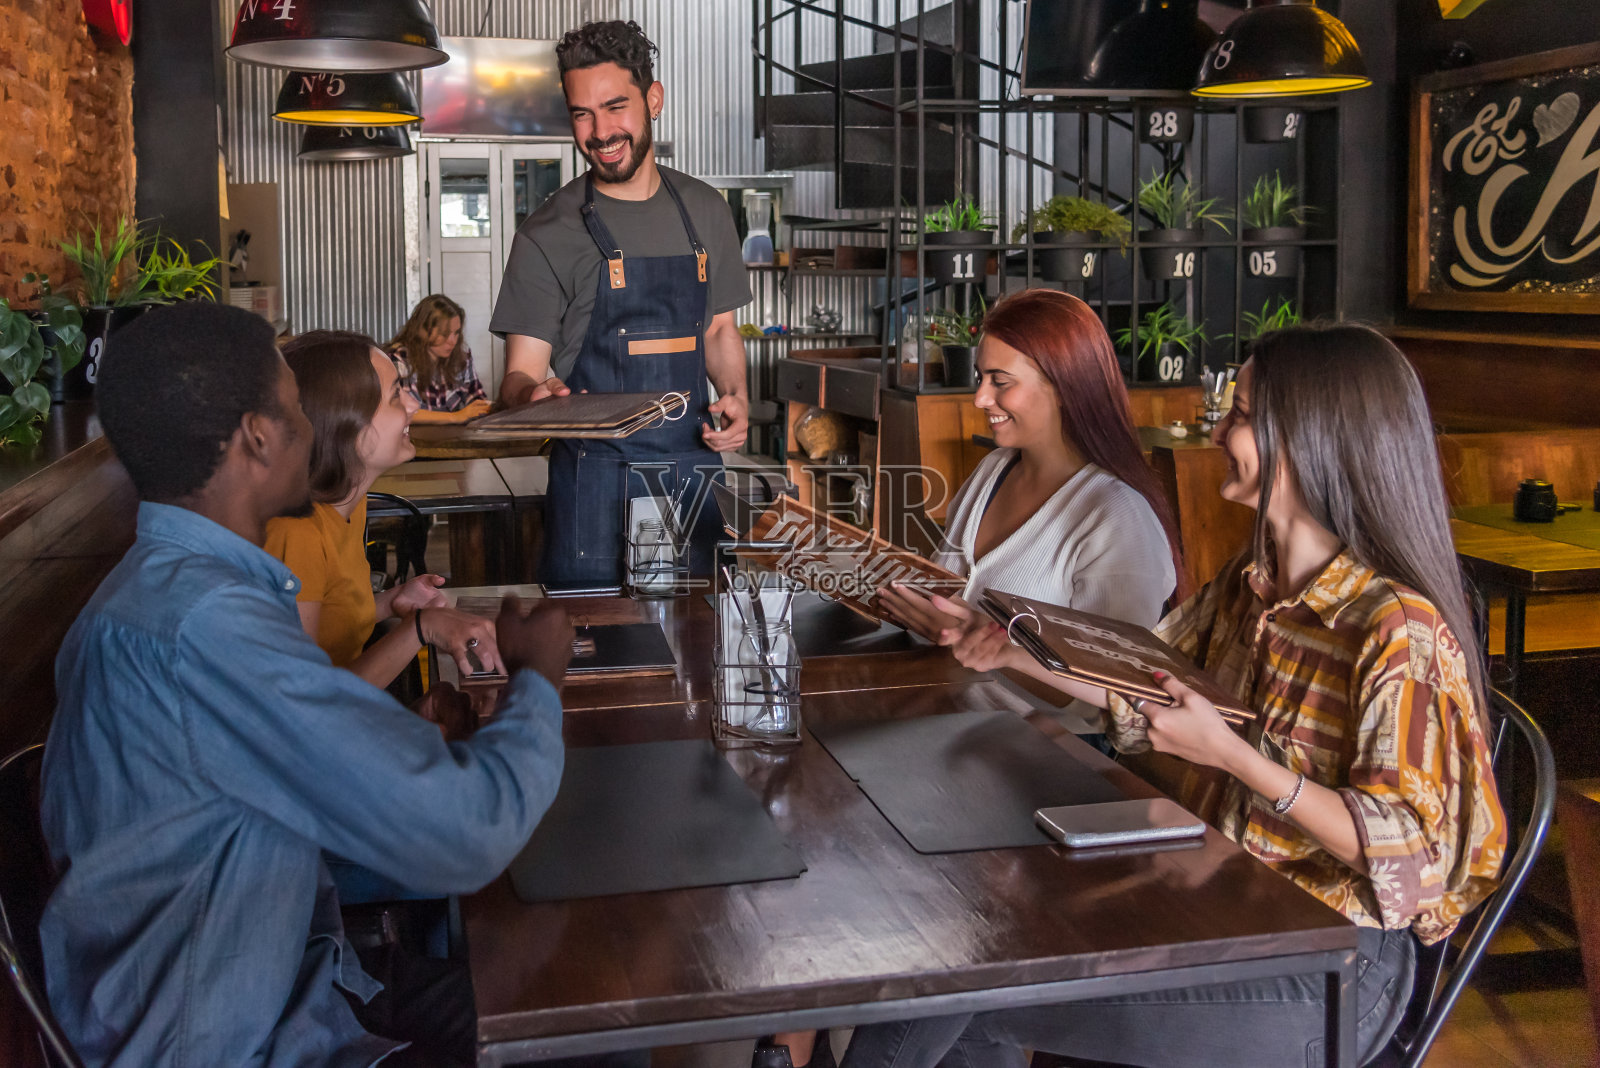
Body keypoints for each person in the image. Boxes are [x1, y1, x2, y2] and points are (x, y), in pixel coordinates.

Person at [840, 324, 1508, 1068]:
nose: (1217, 430)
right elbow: (1142, 677)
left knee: (975, 980)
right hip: (1228, 906)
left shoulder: (1396, 629)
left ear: (1315, 435)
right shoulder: (1252, 583)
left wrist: (1234, 758)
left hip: (1334, 970)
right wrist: (1009, 648)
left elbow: (1414, 860)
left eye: (1243, 415)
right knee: (968, 943)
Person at [36, 301, 588, 1067]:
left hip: (310, 982)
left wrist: (405, 730)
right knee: (583, 1030)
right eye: (296, 410)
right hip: (236, 1039)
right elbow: (467, 832)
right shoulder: (205, 627)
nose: (311, 428)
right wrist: (538, 683)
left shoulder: (171, 592)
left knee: (569, 1012)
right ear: (258, 438)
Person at [761, 290, 1184, 1068]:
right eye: (980, 378)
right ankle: (798, 1029)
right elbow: (957, 601)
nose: (980, 398)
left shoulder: (1116, 518)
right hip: (953, 750)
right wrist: (918, 607)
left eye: (1001, 382)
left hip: (1041, 784)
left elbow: (1128, 702)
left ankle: (798, 1040)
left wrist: (988, 644)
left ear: (1063, 383)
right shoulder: (993, 472)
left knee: (868, 878)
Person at [489, 19, 753, 587]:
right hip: (594, 483)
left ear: (652, 99)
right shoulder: (546, 232)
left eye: (615, 107)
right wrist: (533, 397)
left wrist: (734, 397)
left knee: (698, 647)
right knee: (593, 654)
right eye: (582, 113)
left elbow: (718, 331)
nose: (600, 131)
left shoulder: (706, 211)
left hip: (692, 474)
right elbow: (519, 375)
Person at [263, 329, 501, 719]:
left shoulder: (348, 506)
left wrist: (391, 602)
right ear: (344, 424)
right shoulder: (296, 533)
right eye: (395, 395)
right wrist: (420, 628)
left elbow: (331, 618)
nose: (412, 404)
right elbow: (302, 707)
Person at [385, 293, 492, 423]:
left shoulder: (462, 357)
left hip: (452, 440)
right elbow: (402, 411)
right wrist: (456, 417)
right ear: (422, 330)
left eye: (456, 333)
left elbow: (476, 398)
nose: (452, 341)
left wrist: (491, 407)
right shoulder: (399, 359)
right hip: (413, 440)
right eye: (444, 334)